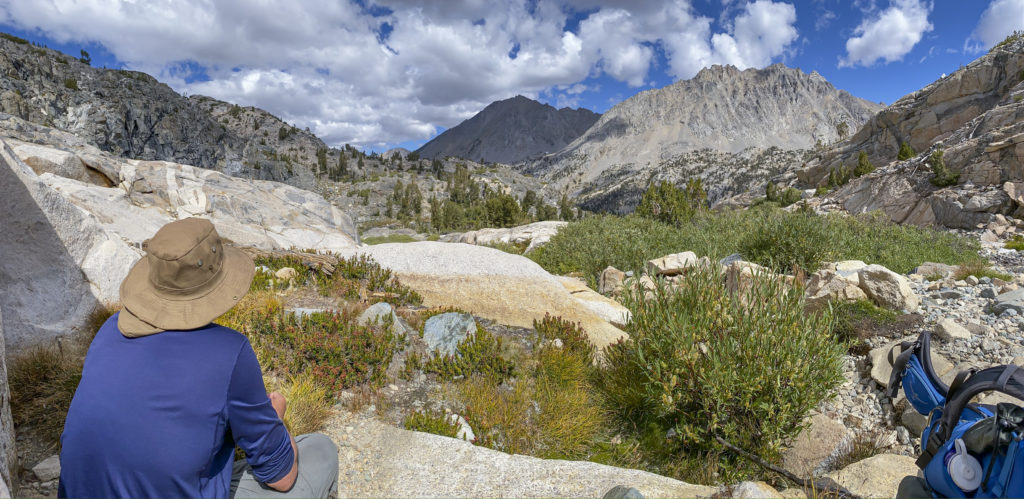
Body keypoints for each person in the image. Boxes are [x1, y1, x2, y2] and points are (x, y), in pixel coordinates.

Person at [58, 217, 339, 498]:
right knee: (319, 450)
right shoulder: (230, 352)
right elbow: (283, 476)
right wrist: (275, 416)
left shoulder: (112, 328)